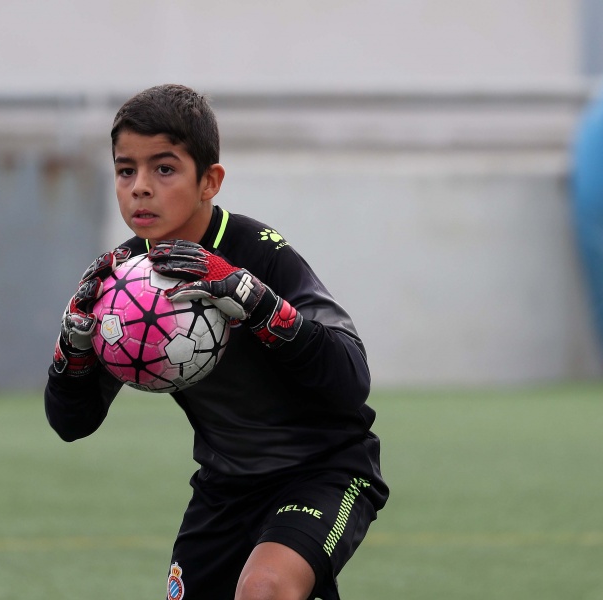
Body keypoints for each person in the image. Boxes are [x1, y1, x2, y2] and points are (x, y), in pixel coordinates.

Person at [44, 84, 389, 600]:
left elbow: (350, 379)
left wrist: (259, 303)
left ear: (210, 181)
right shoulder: (124, 281)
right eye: (125, 170)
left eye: (164, 169)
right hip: (224, 487)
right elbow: (73, 423)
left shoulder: (258, 252)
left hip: (324, 471)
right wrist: (71, 355)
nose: (140, 187)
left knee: (266, 589)